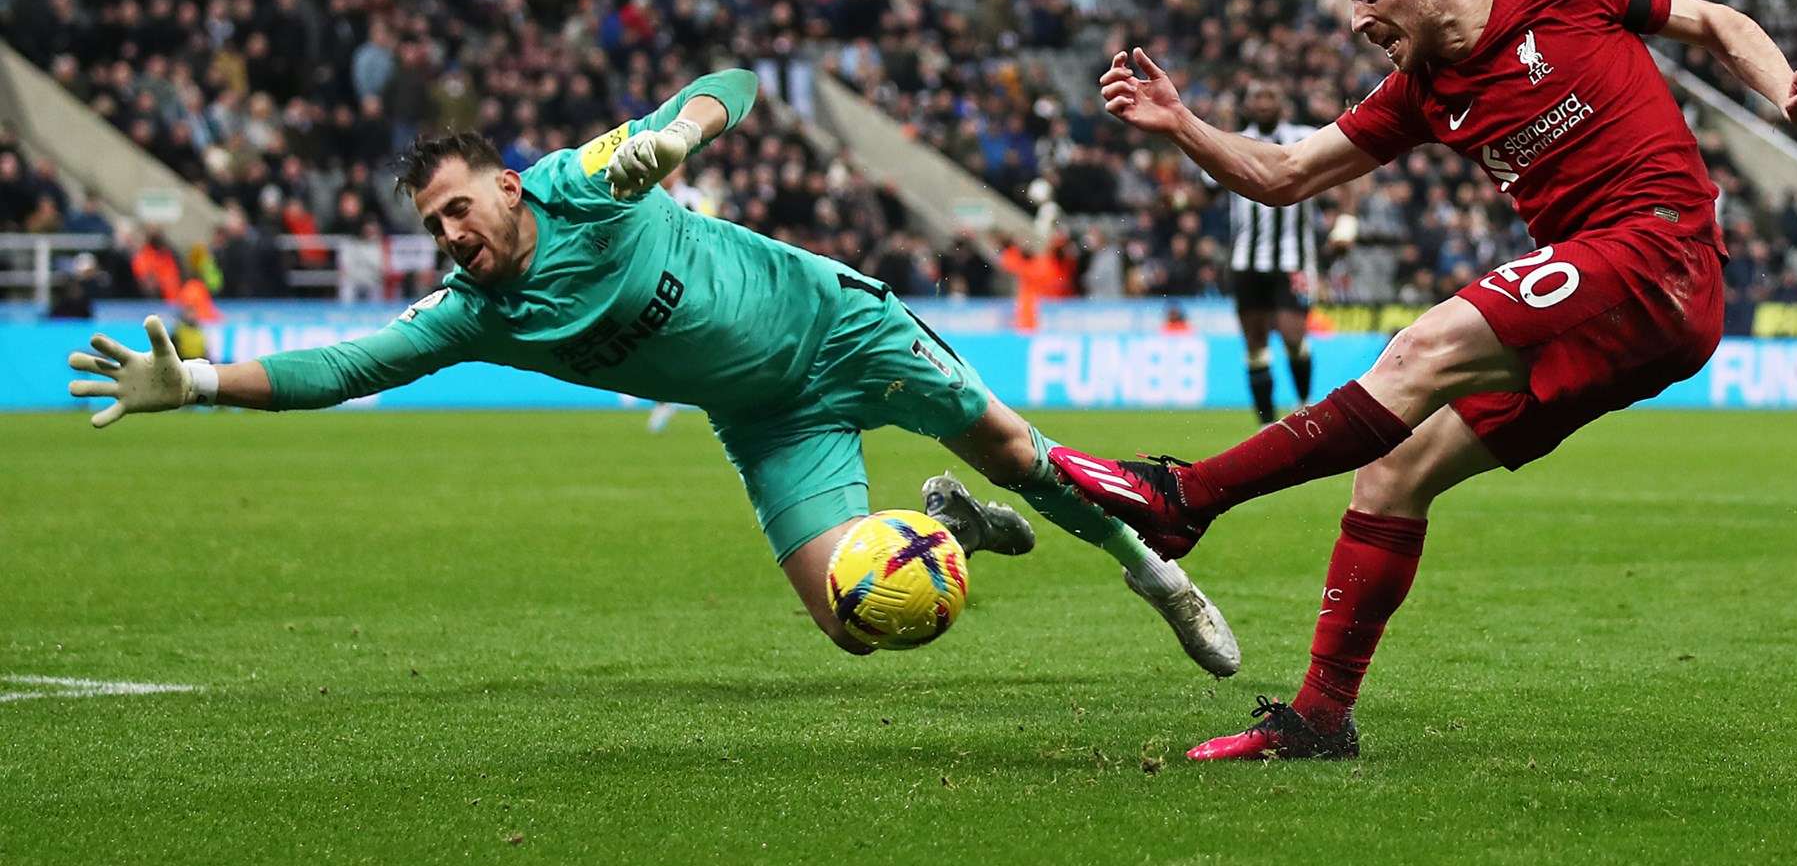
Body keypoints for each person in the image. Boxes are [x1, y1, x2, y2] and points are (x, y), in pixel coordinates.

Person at [67, 69, 1239, 673]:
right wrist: (205, 383)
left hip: (840, 330)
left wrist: (680, 136)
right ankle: (951, 535)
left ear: (508, 186)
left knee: (1020, 449)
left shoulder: (582, 180)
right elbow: (344, 360)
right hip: (765, 417)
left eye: (459, 208)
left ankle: (1154, 575)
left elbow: (723, 79)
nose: (450, 235)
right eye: (433, 224)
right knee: (851, 623)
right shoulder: (474, 312)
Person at [1049, 0, 1797, 760]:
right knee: (1395, 473)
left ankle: (1188, 495)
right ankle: (1322, 718)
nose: (1359, 17)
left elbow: (1717, 22)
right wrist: (1182, 123)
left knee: (1424, 348)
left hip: (1660, 249)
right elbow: (1284, 173)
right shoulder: (1420, 93)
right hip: (1603, 311)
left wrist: (1788, 95)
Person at [1211, 81, 1322, 421]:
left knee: (1292, 335)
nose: (1263, 102)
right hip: (1246, 259)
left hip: (1294, 260)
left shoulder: (1305, 136)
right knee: (1255, 344)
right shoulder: (1234, 142)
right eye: (1256, 96)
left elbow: (1346, 169)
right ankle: (1266, 423)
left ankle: (1304, 404)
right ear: (1247, 104)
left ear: (1282, 102)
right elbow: (1206, 189)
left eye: (1270, 94)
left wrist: (1346, 218)